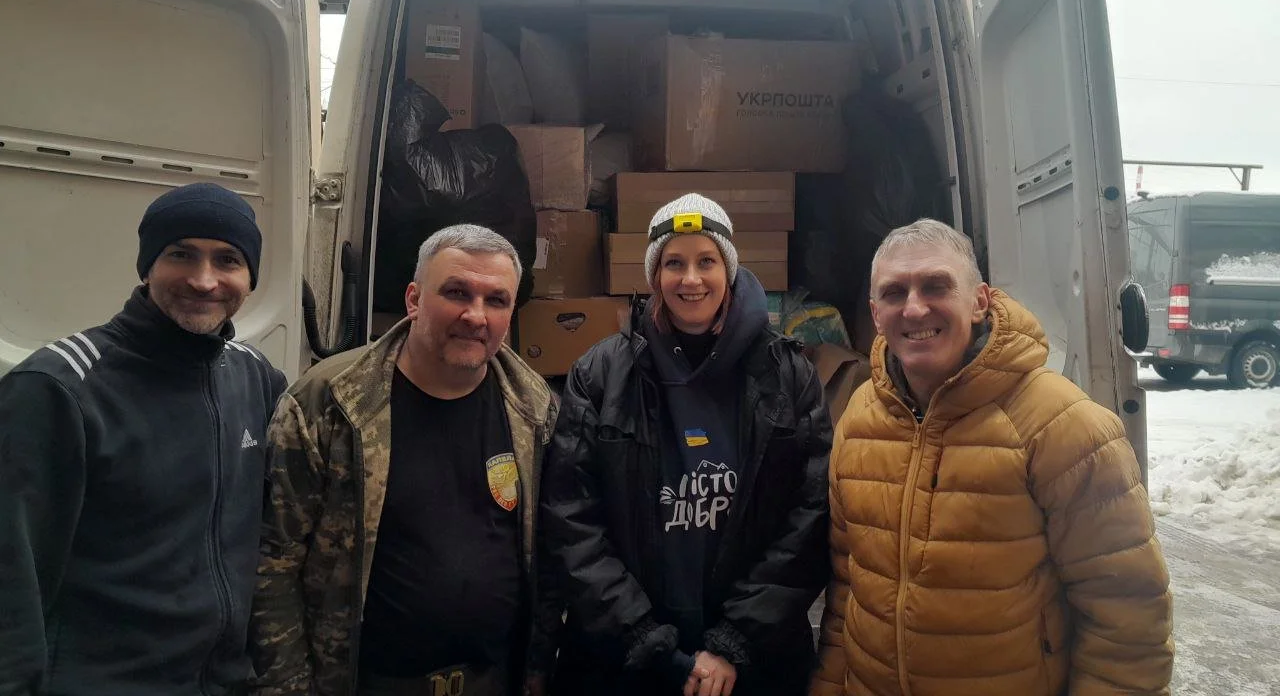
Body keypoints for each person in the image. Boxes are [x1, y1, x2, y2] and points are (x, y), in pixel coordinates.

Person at [810, 218, 1174, 696]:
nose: (915, 308)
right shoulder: (858, 418)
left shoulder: (1065, 426)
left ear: (980, 300)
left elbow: (1127, 620)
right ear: (876, 314)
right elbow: (846, 590)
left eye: (936, 286)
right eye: (895, 293)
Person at [540, 193, 833, 696]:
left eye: (707, 261)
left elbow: (810, 514)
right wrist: (647, 640)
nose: (691, 279)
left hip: (754, 663)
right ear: (655, 277)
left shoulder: (788, 375)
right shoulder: (601, 374)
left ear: (730, 270)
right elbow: (572, 518)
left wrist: (733, 643)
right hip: (627, 660)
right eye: (674, 262)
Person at [0, 182, 287, 694]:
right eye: (181, 255)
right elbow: (11, 576)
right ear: (147, 265)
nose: (204, 281)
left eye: (227, 260)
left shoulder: (255, 377)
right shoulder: (58, 387)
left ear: (250, 277)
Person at [248, 224, 559, 696]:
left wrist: (538, 666)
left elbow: (551, 554)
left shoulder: (534, 409)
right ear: (414, 300)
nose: (476, 315)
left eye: (496, 300)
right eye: (457, 292)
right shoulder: (330, 403)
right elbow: (274, 561)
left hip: (493, 680)